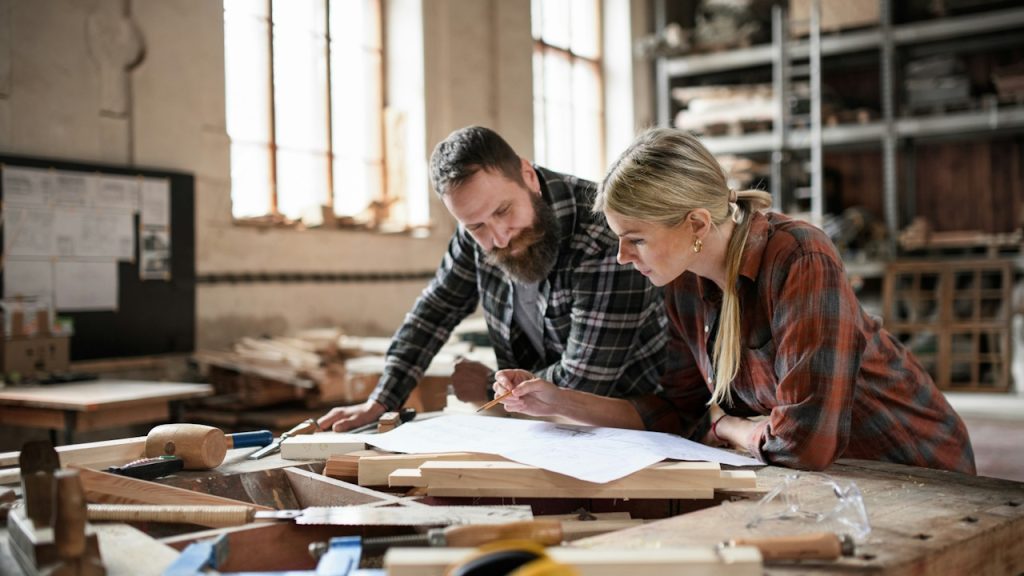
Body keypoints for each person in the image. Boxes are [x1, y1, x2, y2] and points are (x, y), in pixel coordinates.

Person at [494, 127, 976, 474]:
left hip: (912, 465)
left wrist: (731, 430)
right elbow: (679, 412)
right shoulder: (683, 282)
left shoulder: (800, 257)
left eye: (635, 240)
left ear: (698, 225)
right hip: (833, 475)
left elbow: (804, 443)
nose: (622, 257)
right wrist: (554, 400)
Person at [317, 126, 667, 432]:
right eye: (477, 226)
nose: (499, 237)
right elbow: (434, 312)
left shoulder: (603, 234)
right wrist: (382, 400)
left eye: (503, 211)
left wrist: (488, 389)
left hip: (637, 426)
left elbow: (582, 386)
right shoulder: (475, 234)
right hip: (543, 424)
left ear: (528, 176)